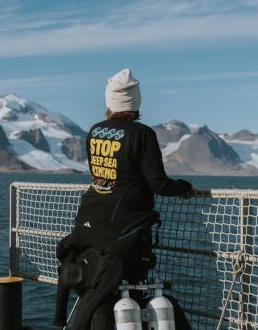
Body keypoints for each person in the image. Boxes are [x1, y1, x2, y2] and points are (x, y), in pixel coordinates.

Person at [54, 68, 194, 330]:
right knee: (129, 290)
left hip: (91, 224)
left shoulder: (95, 132)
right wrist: (184, 186)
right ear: (136, 102)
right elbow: (158, 184)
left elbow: (103, 176)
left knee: (101, 291)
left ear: (110, 102)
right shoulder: (141, 134)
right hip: (126, 231)